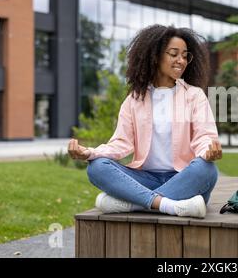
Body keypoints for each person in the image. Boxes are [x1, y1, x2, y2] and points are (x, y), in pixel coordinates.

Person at [68, 25, 222, 219]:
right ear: (155, 56)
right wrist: (90, 153)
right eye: (174, 54)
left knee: (206, 170)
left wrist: (208, 151)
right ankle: (170, 205)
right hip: (143, 179)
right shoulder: (134, 99)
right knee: (97, 167)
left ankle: (134, 204)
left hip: (183, 177)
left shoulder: (194, 96)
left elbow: (204, 136)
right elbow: (121, 143)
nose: (181, 61)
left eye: (185, 55)